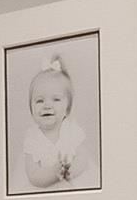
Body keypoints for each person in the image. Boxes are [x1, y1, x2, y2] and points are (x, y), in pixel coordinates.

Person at [15, 56, 90, 190]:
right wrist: (53, 174)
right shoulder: (32, 137)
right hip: (44, 190)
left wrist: (71, 171)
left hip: (72, 184)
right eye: (40, 101)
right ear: (31, 107)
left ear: (67, 108)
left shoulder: (70, 129)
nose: (47, 105)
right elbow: (33, 175)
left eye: (56, 99)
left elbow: (83, 158)